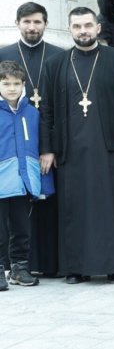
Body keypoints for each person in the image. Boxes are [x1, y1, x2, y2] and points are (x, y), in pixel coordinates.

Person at [39, 7, 114, 283]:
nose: (82, 31)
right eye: (77, 26)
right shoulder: (55, 64)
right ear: (69, 30)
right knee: (75, 209)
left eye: (87, 25)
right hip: (70, 151)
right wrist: (47, 149)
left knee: (112, 205)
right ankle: (76, 267)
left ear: (97, 28)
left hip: (111, 148)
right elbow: (46, 110)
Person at [0, 2, 64, 277]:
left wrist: (49, 148)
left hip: (45, 139)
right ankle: (10, 265)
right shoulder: (3, 54)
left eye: (37, 22)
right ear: (17, 23)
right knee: (11, 210)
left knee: (45, 202)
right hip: (9, 146)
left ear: (46, 24)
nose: (32, 27)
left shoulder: (59, 56)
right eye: (26, 22)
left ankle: (46, 263)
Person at [0, 60, 47, 288]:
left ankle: (19, 268)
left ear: (23, 85)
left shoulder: (31, 112)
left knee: (21, 228)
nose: (12, 88)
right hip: (1, 179)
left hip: (22, 180)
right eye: (6, 83)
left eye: (16, 83)